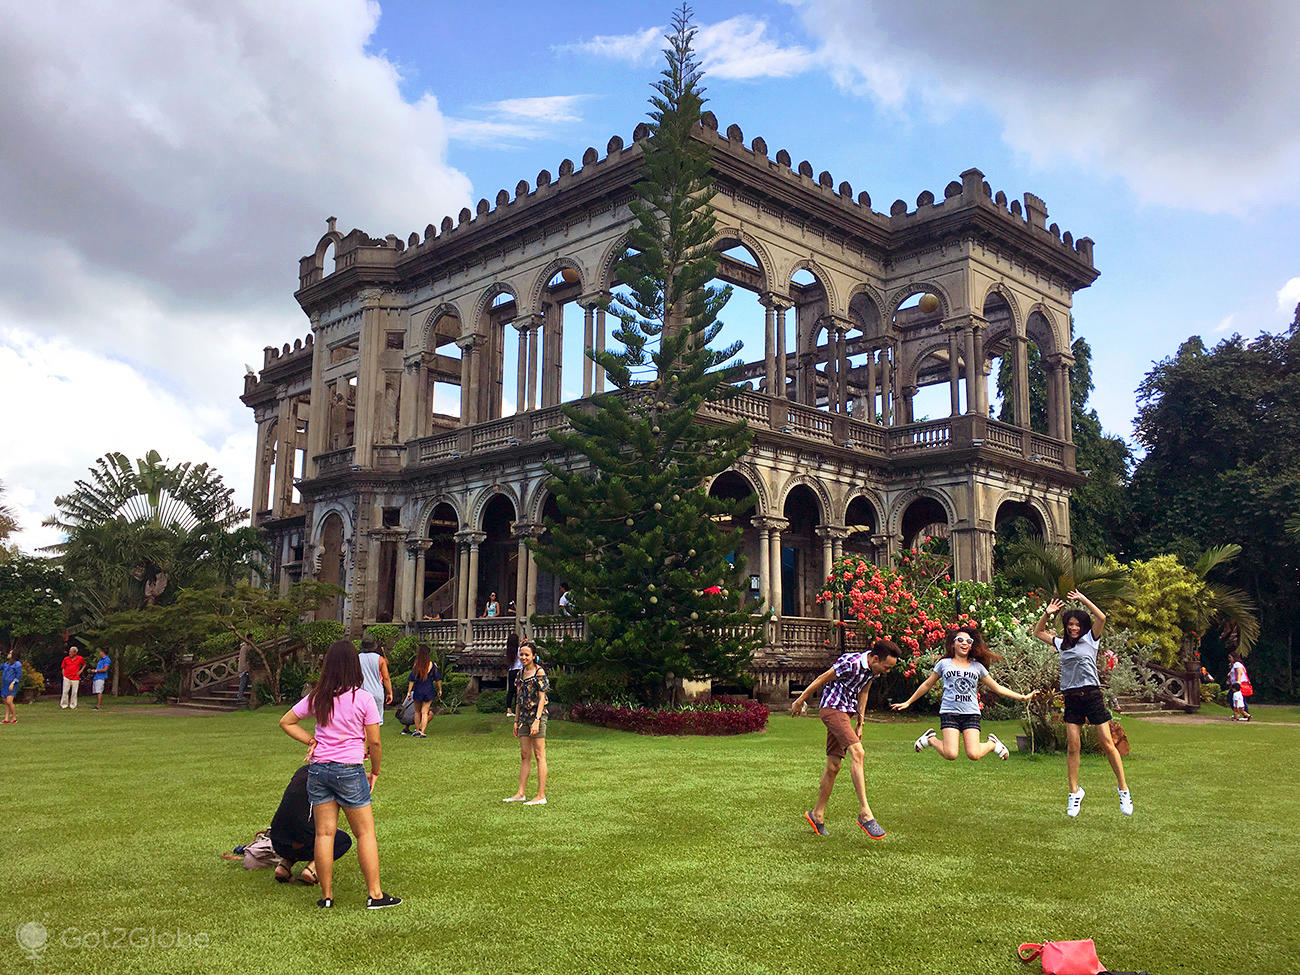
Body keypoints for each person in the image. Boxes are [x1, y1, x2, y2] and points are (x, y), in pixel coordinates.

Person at [279, 639, 400, 909]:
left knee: (324, 834)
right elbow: (375, 742)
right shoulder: (363, 698)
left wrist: (312, 741)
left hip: (319, 769)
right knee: (365, 833)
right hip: (349, 769)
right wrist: (376, 771)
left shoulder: (319, 696)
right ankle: (375, 895)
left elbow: (286, 721)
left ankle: (326, 896)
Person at [1034, 591, 1132, 817]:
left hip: (1092, 695)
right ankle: (1074, 793)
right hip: (1071, 697)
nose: (1073, 628)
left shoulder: (1091, 640)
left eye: (1077, 624)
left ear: (1083, 626)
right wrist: (1047, 614)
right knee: (1072, 746)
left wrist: (1082, 599)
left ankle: (1123, 790)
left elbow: (1102, 617)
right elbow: (1037, 632)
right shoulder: (1061, 644)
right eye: (1070, 624)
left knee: (1107, 743)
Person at [790, 640, 901, 838]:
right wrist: (800, 701)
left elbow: (864, 692)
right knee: (858, 752)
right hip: (832, 709)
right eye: (886, 667)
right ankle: (865, 813)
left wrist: (860, 722)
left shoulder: (872, 670)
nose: (887, 671)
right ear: (875, 659)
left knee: (834, 766)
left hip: (846, 712)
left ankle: (817, 814)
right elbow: (821, 679)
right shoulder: (850, 663)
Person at [892, 625, 1036, 760]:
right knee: (951, 754)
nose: (964, 643)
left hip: (971, 713)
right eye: (960, 640)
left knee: (974, 754)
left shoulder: (977, 667)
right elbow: (927, 684)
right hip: (949, 712)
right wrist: (908, 702)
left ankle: (992, 743)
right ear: (953, 644)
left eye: (968, 641)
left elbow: (997, 688)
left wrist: (1022, 697)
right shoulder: (944, 664)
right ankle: (931, 739)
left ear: (972, 645)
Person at [268, 764, 352, 885]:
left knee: (296, 826)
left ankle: (283, 866)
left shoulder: (302, 770)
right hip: (303, 842)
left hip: (277, 842)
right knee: (341, 840)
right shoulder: (332, 777)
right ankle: (312, 869)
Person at [503, 640, 549, 806]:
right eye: (521, 654)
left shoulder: (539, 672)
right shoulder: (519, 673)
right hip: (522, 717)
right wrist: (515, 720)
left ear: (534, 656)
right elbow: (518, 698)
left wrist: (537, 720)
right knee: (525, 755)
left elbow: (542, 698)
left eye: (526, 655)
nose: (523, 657)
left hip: (537, 716)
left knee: (539, 754)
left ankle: (541, 795)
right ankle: (520, 792)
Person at [402, 644, 441, 738]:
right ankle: (422, 732)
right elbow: (438, 679)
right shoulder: (433, 665)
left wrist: (409, 691)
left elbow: (412, 679)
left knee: (417, 711)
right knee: (425, 712)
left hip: (418, 689)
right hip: (428, 690)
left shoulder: (416, 665)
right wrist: (440, 689)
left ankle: (417, 730)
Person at [358, 637, 393, 727]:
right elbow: (386, 678)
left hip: (361, 692)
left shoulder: (357, 658)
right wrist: (389, 692)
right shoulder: (380, 659)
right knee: (375, 722)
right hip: (376, 691)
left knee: (360, 721)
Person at [1227, 652, 1251, 721]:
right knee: (1239, 699)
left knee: (1234, 698)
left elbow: (1239, 673)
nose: (1229, 659)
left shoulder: (1237, 664)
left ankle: (1242, 713)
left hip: (1238, 684)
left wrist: (1238, 683)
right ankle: (1241, 713)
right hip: (1236, 684)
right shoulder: (1234, 665)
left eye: (1230, 657)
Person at [60, 645, 86, 710]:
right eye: (69, 652)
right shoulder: (66, 659)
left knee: (74, 692)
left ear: (75, 653)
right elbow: (63, 667)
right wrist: (64, 674)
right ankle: (64, 705)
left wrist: (81, 671)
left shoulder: (80, 658)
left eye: (71, 652)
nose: (70, 653)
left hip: (75, 677)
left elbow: (84, 664)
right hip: (67, 676)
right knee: (65, 691)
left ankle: (73, 705)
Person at [504, 631, 521, 717]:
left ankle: (509, 709)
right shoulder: (519, 650)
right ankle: (517, 709)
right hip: (518, 671)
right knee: (518, 691)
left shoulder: (509, 651)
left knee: (511, 690)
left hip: (511, 671)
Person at [2, 649, 21, 724]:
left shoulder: (17, 664)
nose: (8, 654)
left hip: (12, 685)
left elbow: (18, 675)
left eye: (10, 653)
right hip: (5, 685)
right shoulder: (6, 663)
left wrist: (13, 683)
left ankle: (14, 717)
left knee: (9, 701)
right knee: (5, 702)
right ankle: (6, 718)